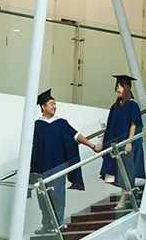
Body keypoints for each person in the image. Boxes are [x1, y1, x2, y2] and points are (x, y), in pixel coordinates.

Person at [30, 88, 97, 231]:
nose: (54, 106)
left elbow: (76, 136)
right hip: (41, 168)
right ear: (43, 106)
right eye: (51, 104)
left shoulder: (61, 123)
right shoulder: (37, 125)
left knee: (58, 195)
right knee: (43, 197)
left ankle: (58, 223)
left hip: (58, 166)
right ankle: (46, 224)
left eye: (55, 104)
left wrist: (92, 145)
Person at [100, 75, 145, 209]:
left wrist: (129, 142)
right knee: (115, 170)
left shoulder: (132, 105)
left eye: (118, 87)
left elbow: (134, 124)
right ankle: (127, 197)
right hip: (115, 144)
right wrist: (102, 141)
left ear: (125, 88)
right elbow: (109, 125)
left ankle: (123, 200)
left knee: (126, 171)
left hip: (126, 144)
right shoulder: (115, 107)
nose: (116, 90)